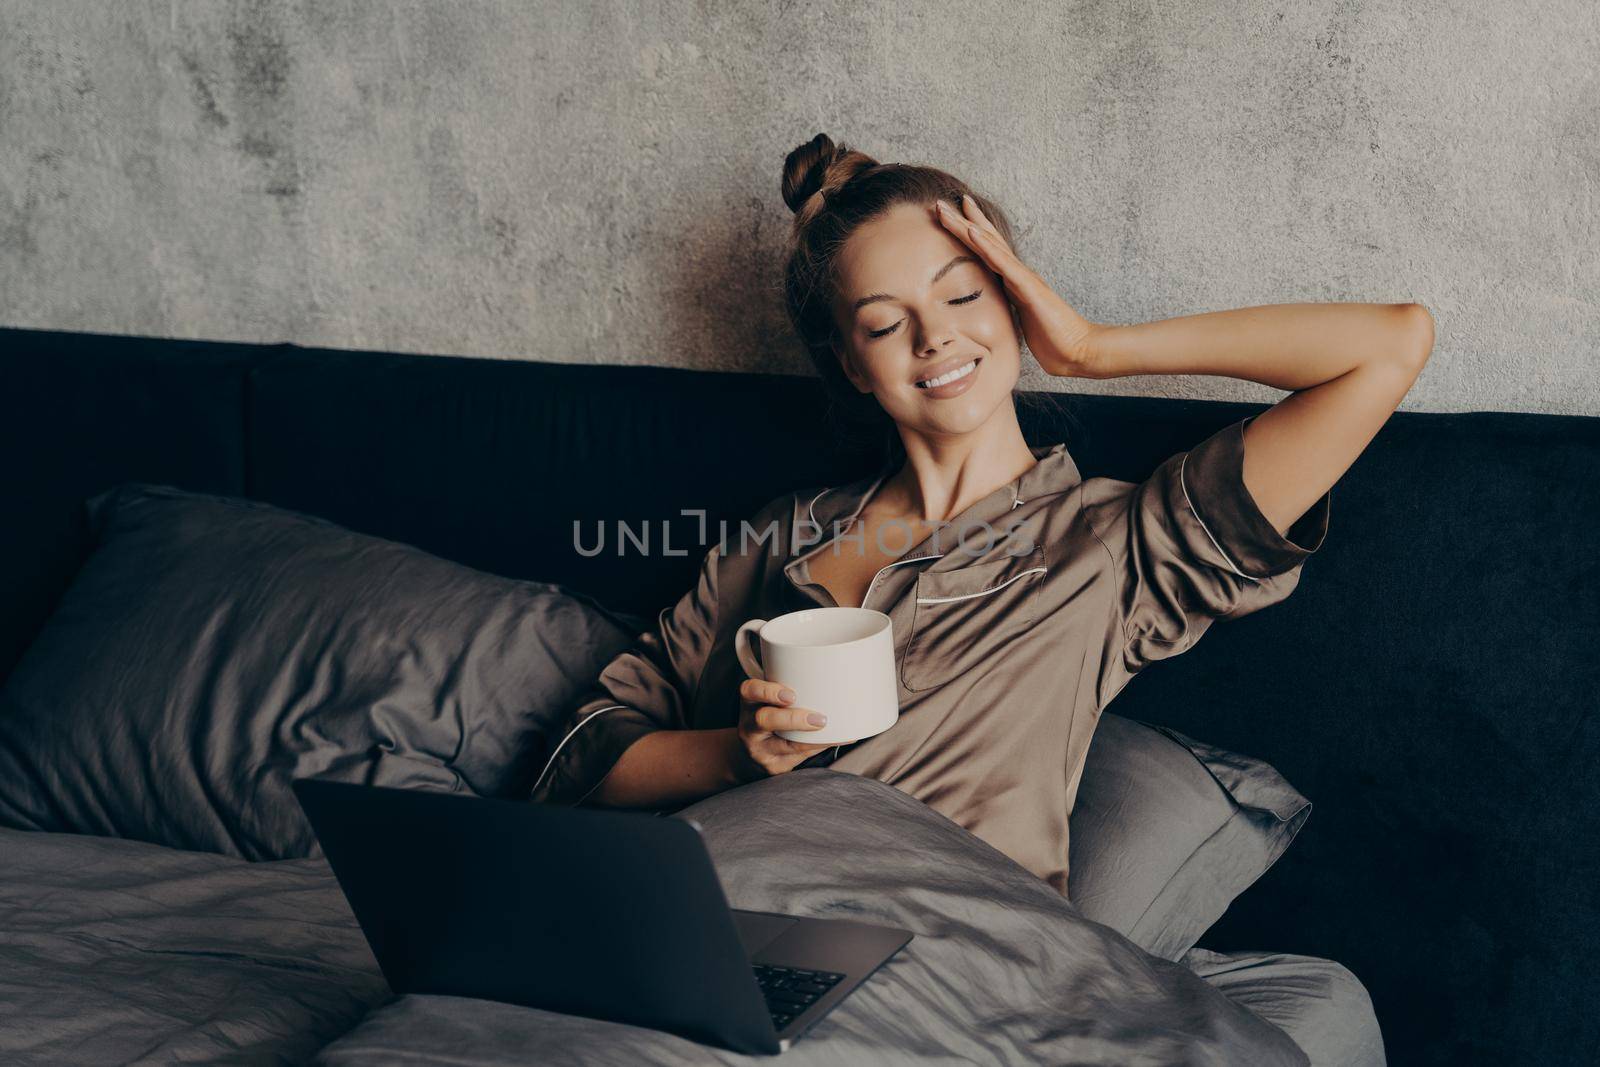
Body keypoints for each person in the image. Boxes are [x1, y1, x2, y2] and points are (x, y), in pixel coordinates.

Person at [530, 132, 1433, 903]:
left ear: (1013, 294)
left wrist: (1091, 348)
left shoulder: (1117, 547)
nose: (935, 339)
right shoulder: (781, 539)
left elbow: (1390, 345)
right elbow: (585, 758)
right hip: (727, 911)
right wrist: (740, 752)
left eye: (965, 294)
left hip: (958, 953)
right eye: (886, 325)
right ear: (852, 364)